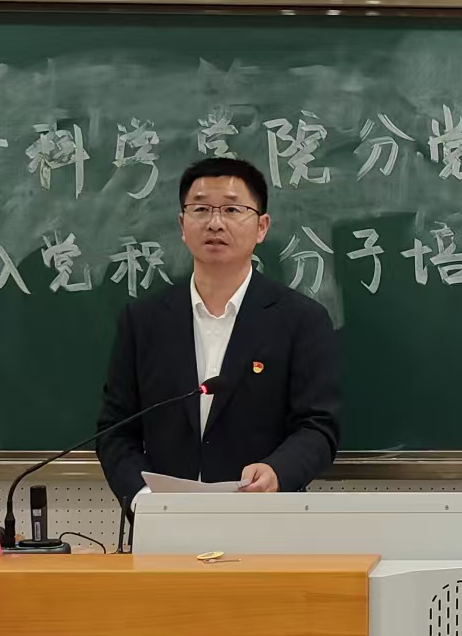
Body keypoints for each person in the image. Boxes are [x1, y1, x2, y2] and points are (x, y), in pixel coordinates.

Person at [96, 156, 340, 513]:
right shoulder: (143, 321)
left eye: (231, 209)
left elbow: (318, 427)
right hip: (165, 524)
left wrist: (277, 472)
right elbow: (115, 430)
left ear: (261, 227)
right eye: (200, 209)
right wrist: (144, 500)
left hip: (265, 521)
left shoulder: (301, 320)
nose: (215, 222)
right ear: (182, 225)